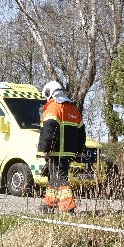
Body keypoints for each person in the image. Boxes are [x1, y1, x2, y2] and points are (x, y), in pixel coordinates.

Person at [37, 81, 86, 214]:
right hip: (68, 153)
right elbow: (81, 132)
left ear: (49, 93)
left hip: (55, 152)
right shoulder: (74, 109)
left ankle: (68, 208)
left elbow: (48, 131)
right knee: (54, 178)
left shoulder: (53, 108)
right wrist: (80, 150)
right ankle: (48, 205)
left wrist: (43, 149)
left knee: (60, 179)